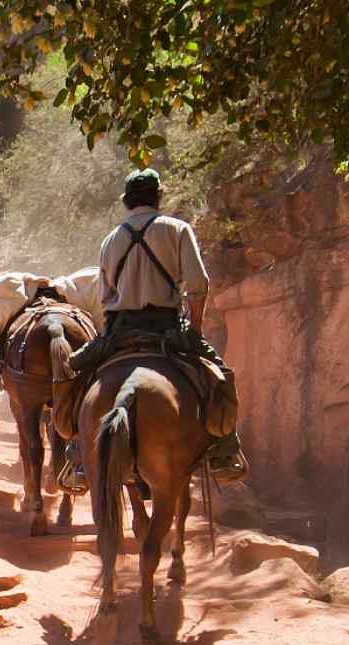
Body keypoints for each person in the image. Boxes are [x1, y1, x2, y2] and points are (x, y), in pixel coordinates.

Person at [59, 169, 246, 493]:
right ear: (158, 196)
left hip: (118, 331)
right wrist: (195, 329)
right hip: (166, 326)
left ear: (126, 201)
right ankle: (224, 451)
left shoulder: (110, 240)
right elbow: (197, 285)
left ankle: (78, 457)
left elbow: (105, 296)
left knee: (77, 374)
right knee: (218, 375)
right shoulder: (176, 229)